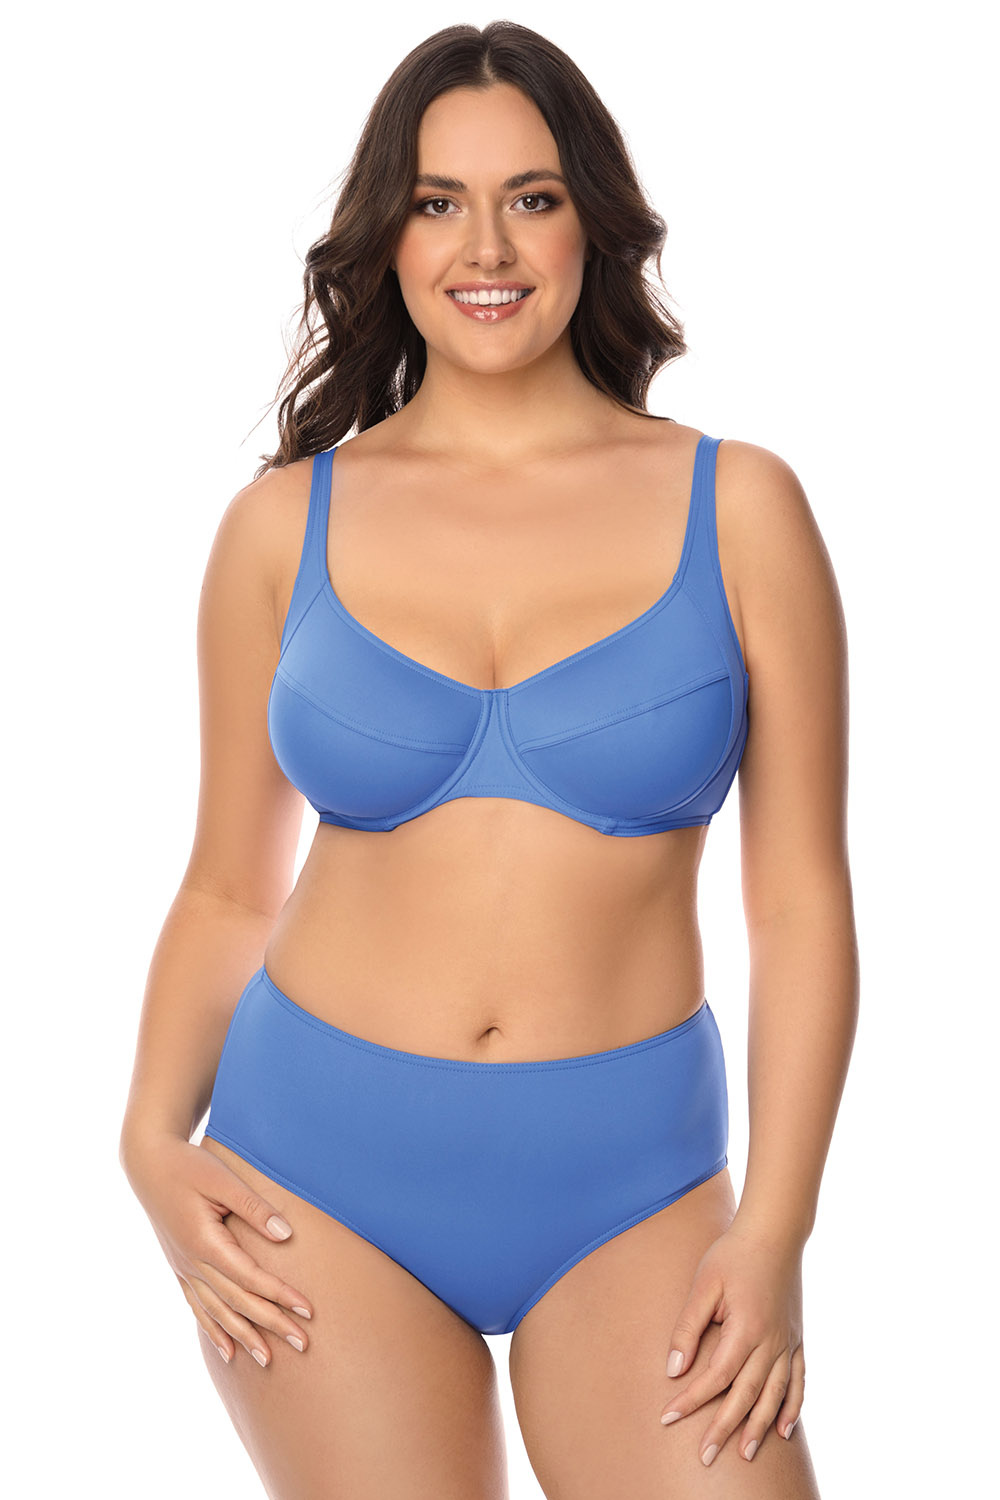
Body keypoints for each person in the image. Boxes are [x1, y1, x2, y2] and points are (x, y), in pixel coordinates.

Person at [119, 19, 858, 1499]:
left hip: (636, 1186)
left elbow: (800, 905)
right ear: (387, 238)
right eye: (437, 202)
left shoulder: (740, 508)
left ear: (593, 222)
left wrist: (776, 1229)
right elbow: (226, 886)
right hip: (313, 1179)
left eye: (531, 196)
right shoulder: (281, 527)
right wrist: (147, 1139)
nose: (487, 247)